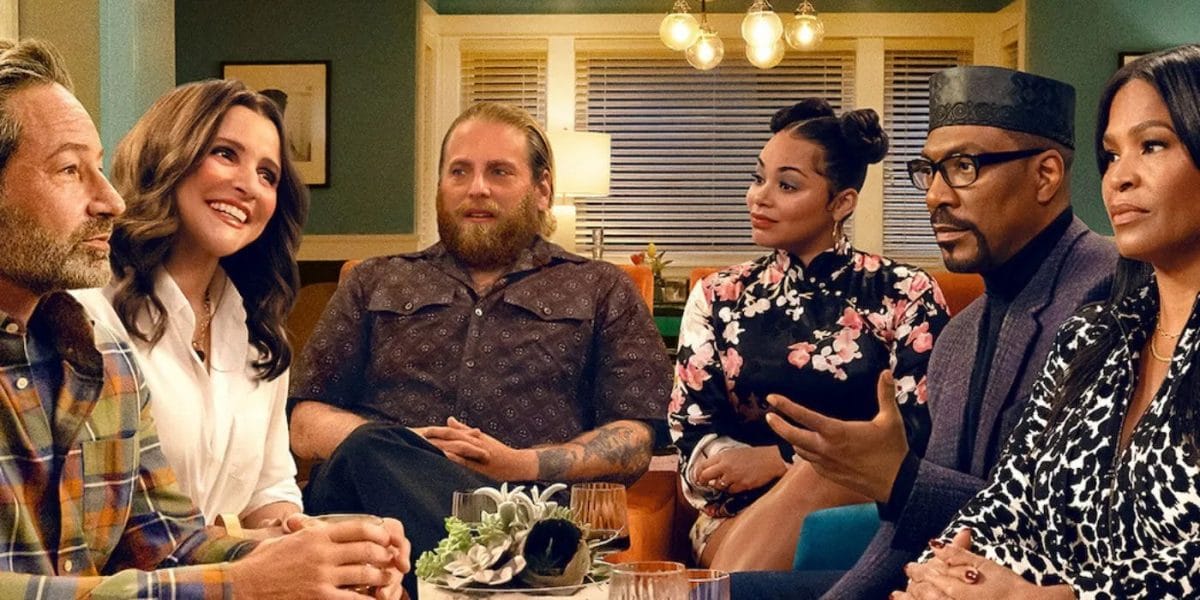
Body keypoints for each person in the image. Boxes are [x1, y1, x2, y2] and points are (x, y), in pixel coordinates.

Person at [0, 38, 409, 597]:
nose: (111, 201)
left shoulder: (99, 356)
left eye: (268, 173)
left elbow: (165, 538)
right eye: (70, 169)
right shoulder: (104, 316)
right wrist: (242, 583)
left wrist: (326, 558)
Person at [747, 66, 1118, 598]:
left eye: (964, 166)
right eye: (930, 170)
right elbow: (910, 533)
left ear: (1046, 175)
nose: (935, 196)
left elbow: (1064, 532)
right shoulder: (960, 335)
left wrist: (901, 479)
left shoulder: (1114, 294)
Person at [288, 102, 672, 595]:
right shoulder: (374, 280)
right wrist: (406, 449)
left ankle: (499, 565)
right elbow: (304, 421)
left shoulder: (600, 288)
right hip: (374, 507)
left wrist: (521, 463)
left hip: (529, 505)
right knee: (366, 448)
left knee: (516, 517)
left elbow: (636, 438)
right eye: (459, 171)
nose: (477, 188)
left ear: (542, 190)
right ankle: (510, 578)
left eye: (499, 172)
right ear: (440, 186)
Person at [896, 42, 1200, 600]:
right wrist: (940, 577)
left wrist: (1048, 598)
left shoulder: (1085, 282)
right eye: (1111, 155)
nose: (1119, 178)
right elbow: (1006, 503)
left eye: (1152, 145)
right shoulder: (1093, 336)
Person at [667, 98, 950, 571]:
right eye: (758, 178)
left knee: (819, 477)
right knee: (801, 491)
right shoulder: (718, 295)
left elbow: (921, 433)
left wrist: (781, 460)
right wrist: (745, 471)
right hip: (737, 516)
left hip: (870, 516)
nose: (759, 197)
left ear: (841, 203)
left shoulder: (905, 291)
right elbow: (691, 432)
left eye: (787, 185)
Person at [72, 79, 307, 534]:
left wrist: (311, 541)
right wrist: (244, 548)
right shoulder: (88, 306)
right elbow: (91, 520)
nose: (249, 186)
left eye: (268, 175)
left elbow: (269, 488)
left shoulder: (262, 335)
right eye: (226, 154)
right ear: (167, 155)